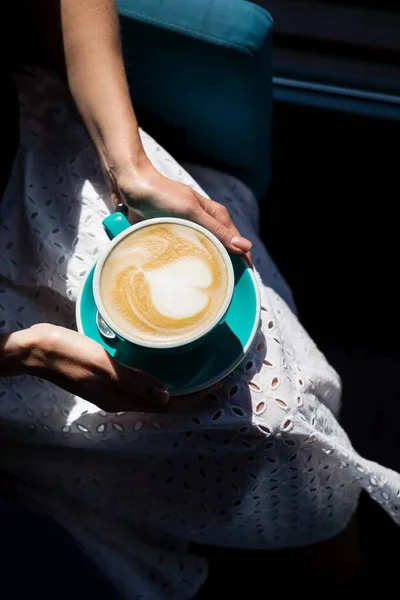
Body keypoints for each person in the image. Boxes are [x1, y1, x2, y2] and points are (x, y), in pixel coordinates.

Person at [1, 1, 400, 599]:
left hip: (28, 158)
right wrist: (26, 355)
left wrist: (128, 166)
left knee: (276, 415)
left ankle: (340, 553)